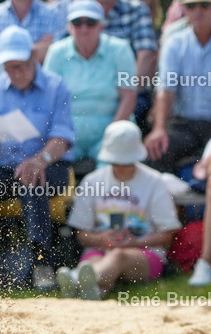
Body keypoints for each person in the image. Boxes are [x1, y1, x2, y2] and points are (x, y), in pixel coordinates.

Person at [0, 26, 75, 292]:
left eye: (20, 65)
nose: (15, 72)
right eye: (9, 67)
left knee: (31, 178)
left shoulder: (56, 86)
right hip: (5, 166)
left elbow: (61, 138)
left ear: (32, 58)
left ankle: (42, 262)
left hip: (51, 165)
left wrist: (40, 159)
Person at [58, 121, 181, 300]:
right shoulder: (92, 181)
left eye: (127, 162)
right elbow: (82, 235)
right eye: (117, 162)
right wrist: (100, 238)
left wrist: (134, 242)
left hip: (145, 253)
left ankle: (77, 280)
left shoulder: (154, 182)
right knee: (96, 262)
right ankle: (93, 290)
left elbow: (167, 235)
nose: (122, 166)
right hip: (99, 250)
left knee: (118, 255)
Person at [43, 0, 137, 176]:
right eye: (77, 23)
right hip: (69, 134)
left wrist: (112, 135)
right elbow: (50, 100)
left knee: (112, 174)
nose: (83, 28)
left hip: (109, 129)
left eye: (90, 22)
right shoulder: (56, 52)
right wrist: (59, 137)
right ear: (69, 27)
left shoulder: (120, 49)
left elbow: (128, 97)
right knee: (50, 168)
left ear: (101, 26)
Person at [144, 0, 211, 174]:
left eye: (205, 5)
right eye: (191, 5)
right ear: (185, 10)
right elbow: (166, 90)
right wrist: (159, 129)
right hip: (184, 124)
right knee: (156, 150)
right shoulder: (174, 43)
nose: (197, 10)